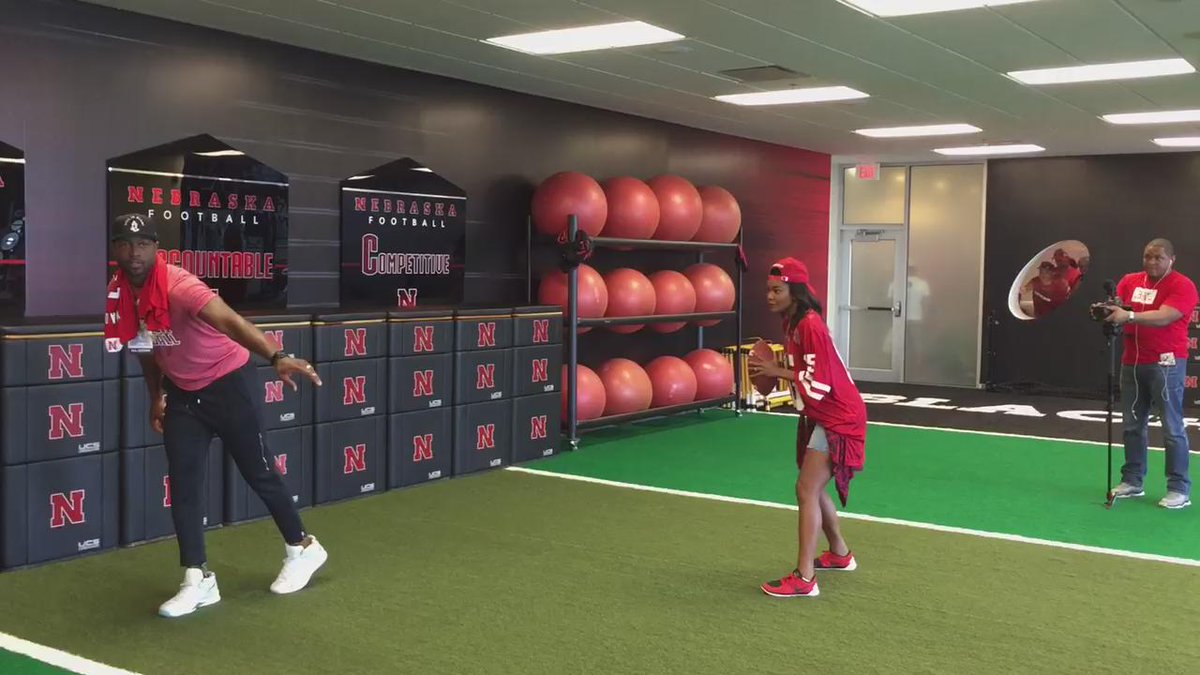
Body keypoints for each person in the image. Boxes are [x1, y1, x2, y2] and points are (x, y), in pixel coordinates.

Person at [104, 213, 329, 617]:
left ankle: (303, 547)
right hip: (184, 393)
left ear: (156, 248)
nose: (133, 253)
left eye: (142, 244)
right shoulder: (121, 293)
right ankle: (198, 578)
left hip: (228, 382)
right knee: (184, 482)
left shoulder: (180, 287)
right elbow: (145, 348)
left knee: (257, 470)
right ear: (115, 249)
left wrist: (276, 356)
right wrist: (156, 396)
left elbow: (231, 321)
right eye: (125, 243)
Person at [748, 257, 867, 598]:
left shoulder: (809, 325)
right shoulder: (796, 323)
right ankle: (841, 555)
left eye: (777, 290)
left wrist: (774, 371)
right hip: (829, 413)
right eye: (768, 290)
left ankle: (804, 578)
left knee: (806, 489)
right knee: (812, 487)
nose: (769, 296)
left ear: (795, 292)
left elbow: (821, 384)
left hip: (839, 416)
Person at [1104, 238, 1198, 509]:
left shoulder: (1182, 285)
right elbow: (1119, 306)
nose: (1152, 262)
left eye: (1158, 257)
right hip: (1132, 363)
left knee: (1172, 426)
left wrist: (1129, 317)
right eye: (1148, 256)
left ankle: (1179, 488)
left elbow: (1166, 315)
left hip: (1166, 364)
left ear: (1171, 259)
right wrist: (1108, 311)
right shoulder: (1130, 281)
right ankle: (1133, 481)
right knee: (1132, 425)